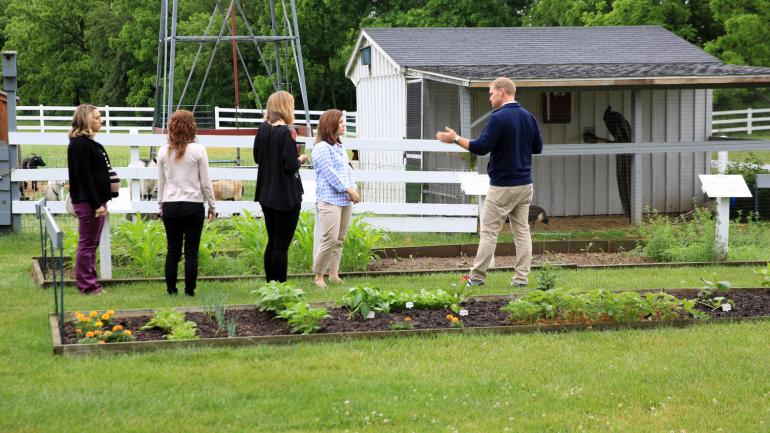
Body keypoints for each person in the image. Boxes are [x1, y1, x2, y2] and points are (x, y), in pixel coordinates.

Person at [436, 77, 543, 288]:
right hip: (525, 185)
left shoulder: (498, 117)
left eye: (492, 93)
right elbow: (537, 147)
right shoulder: (528, 117)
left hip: (503, 186)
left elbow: (481, 147)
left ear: (502, 91)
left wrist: (456, 139)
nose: (490, 98)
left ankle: (476, 278)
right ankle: (521, 279)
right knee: (522, 232)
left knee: (489, 232)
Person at [157, 110, 216, 296]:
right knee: (191, 251)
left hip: (171, 205)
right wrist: (212, 206)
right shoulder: (199, 150)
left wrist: (161, 205)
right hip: (193, 205)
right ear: (192, 127)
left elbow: (161, 183)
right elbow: (206, 183)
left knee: (173, 250)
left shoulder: (163, 151)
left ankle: (171, 289)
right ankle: (190, 290)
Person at [254, 91, 308, 283]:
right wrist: (301, 158)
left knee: (273, 240)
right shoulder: (285, 132)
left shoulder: (262, 129)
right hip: (285, 195)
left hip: (266, 193)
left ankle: (270, 285)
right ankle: (281, 287)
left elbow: (257, 157)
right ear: (285, 107)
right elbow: (290, 165)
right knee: (282, 244)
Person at [67, 104, 114, 295]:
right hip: (88, 203)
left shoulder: (90, 143)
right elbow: (84, 178)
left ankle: (92, 282)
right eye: (96, 117)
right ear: (86, 120)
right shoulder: (79, 145)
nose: (100, 120)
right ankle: (87, 285)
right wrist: (96, 204)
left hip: (97, 201)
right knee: (87, 244)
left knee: (92, 244)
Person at [311, 109, 360, 288]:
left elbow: (348, 170)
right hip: (329, 200)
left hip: (345, 200)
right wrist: (348, 190)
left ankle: (333, 274)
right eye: (340, 122)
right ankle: (319, 276)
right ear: (330, 125)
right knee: (329, 239)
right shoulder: (321, 148)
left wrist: (353, 189)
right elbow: (330, 174)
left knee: (339, 239)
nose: (344, 125)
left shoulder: (339, 147)